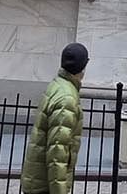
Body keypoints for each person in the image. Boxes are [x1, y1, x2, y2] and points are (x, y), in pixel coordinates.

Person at [21, 43, 87, 194]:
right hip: (44, 186)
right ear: (82, 68)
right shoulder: (67, 98)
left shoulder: (58, 85)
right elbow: (58, 152)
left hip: (38, 180)